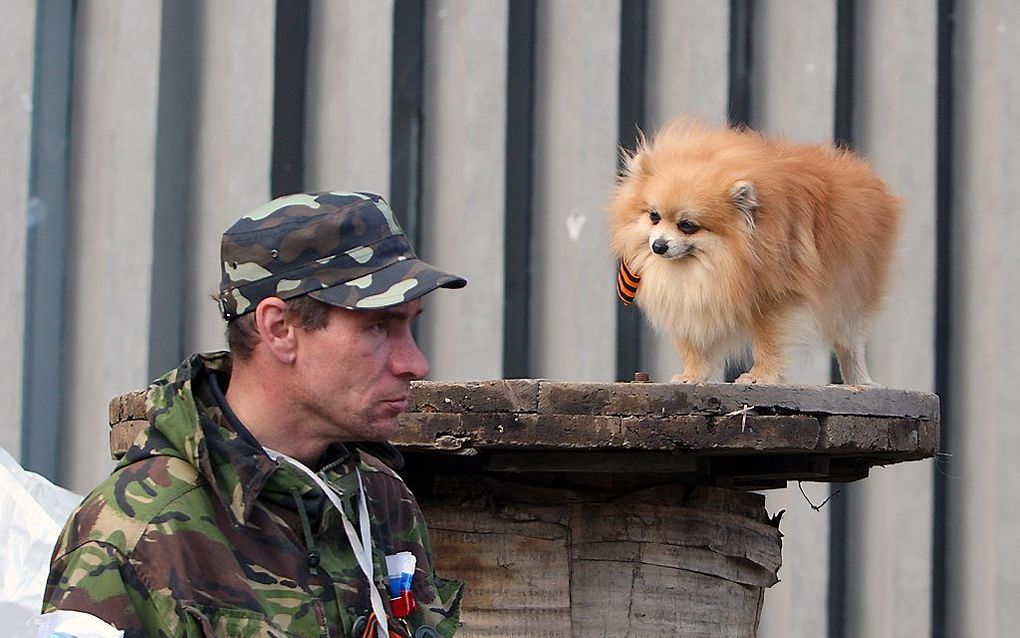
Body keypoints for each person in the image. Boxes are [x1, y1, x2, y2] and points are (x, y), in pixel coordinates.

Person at [43, 192, 466, 638]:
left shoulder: (378, 497)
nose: (415, 363)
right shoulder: (137, 531)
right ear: (279, 329)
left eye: (409, 325)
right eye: (377, 327)